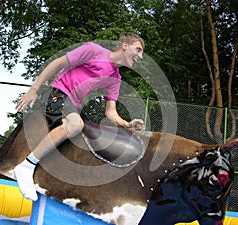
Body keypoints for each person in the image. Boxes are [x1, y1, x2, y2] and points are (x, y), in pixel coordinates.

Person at [14, 32, 146, 201]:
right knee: (76, 125)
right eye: (138, 49)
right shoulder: (94, 51)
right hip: (57, 92)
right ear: (124, 45)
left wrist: (127, 125)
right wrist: (34, 90)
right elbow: (57, 63)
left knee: (87, 136)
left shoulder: (115, 79)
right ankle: (26, 165)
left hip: (73, 106)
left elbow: (110, 112)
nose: (140, 56)